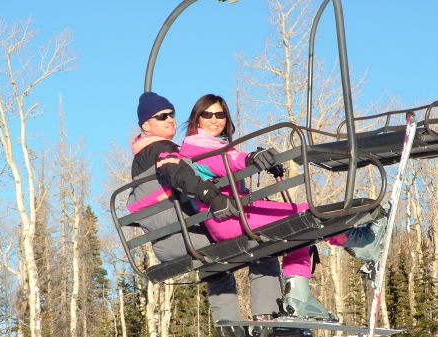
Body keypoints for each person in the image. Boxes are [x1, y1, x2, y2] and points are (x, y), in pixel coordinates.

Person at [179, 94, 388, 321]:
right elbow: (226, 163)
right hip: (230, 219)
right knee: (307, 213)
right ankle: (361, 243)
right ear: (196, 119)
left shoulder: (215, 145)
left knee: (300, 230)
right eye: (206, 114)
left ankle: (298, 297)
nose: (214, 119)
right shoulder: (197, 146)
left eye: (219, 114)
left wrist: (254, 161)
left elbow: (229, 162)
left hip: (237, 216)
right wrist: (250, 159)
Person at [126, 92, 280, 325]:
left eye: (172, 114)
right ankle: (268, 318)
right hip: (186, 236)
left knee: (217, 268)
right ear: (146, 125)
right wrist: (210, 196)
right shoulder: (161, 148)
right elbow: (177, 173)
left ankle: (229, 327)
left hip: (168, 242)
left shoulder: (142, 157)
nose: (170, 119)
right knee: (260, 241)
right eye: (162, 116)